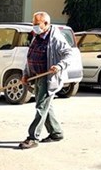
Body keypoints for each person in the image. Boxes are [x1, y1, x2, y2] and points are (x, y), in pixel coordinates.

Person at [18, 11, 75, 150]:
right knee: (46, 106)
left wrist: (59, 66)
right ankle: (56, 133)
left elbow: (69, 54)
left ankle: (33, 137)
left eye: (36, 24)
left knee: (41, 107)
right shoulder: (36, 37)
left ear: (46, 24)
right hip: (36, 76)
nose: (34, 26)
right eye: (33, 23)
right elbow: (30, 57)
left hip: (47, 78)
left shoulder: (56, 38)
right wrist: (26, 74)